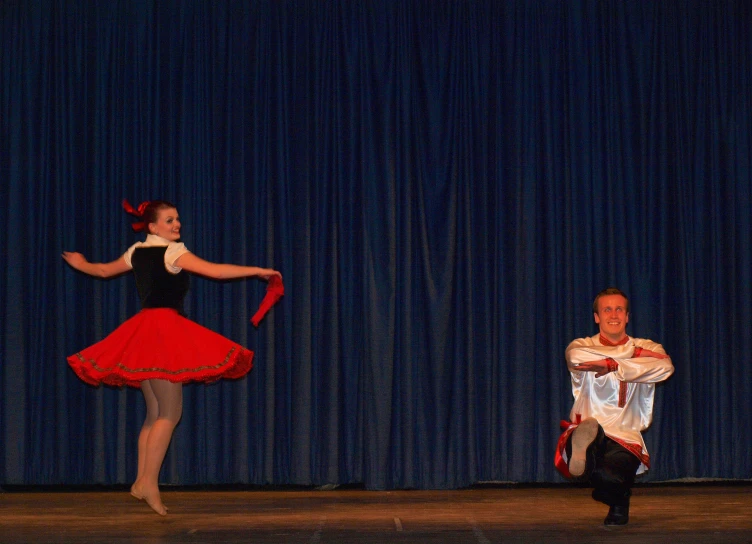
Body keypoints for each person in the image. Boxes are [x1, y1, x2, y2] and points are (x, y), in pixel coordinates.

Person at [62, 199, 282, 516]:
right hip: (163, 331)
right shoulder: (172, 252)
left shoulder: (136, 251)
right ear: (153, 227)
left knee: (155, 412)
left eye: (177, 219)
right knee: (169, 412)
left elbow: (101, 270)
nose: (176, 224)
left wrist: (80, 263)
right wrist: (258, 270)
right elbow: (216, 271)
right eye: (169, 220)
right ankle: (148, 482)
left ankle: (141, 480)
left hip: (144, 332)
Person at [554, 287, 673, 526]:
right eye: (607, 309)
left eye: (619, 309)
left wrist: (612, 365)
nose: (614, 314)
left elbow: (665, 366)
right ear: (597, 317)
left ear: (628, 316)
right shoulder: (582, 345)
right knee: (594, 456)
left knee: (607, 478)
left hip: (625, 436)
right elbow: (575, 357)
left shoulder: (648, 346)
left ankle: (615, 499)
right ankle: (586, 450)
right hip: (590, 430)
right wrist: (631, 360)